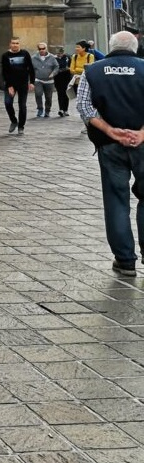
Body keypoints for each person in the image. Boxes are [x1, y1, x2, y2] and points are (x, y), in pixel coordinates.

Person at [76, 30, 144, 277]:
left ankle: (125, 260)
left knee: (116, 200)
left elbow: (84, 106)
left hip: (109, 144)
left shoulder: (93, 71)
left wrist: (111, 131)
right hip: (143, 144)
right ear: (134, 48)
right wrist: (141, 133)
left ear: (111, 46)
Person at [1, 36, 34, 135]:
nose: (15, 45)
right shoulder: (5, 56)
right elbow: (4, 72)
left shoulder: (25, 53)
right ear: (10, 44)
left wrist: (31, 82)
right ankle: (14, 121)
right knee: (7, 103)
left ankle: (21, 126)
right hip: (10, 84)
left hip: (23, 83)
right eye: (13, 43)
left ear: (19, 44)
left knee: (22, 106)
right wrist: (9, 85)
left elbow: (31, 68)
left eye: (17, 43)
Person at [31, 41, 57, 118]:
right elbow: (30, 69)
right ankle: (40, 109)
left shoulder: (52, 57)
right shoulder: (33, 58)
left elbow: (56, 66)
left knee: (48, 97)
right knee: (38, 94)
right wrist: (31, 80)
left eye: (43, 48)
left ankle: (47, 110)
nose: (41, 50)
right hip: (38, 80)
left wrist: (53, 73)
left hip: (49, 81)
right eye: (40, 49)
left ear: (46, 48)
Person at [53, 46, 72, 116]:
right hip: (58, 78)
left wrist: (67, 69)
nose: (59, 54)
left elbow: (71, 66)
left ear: (63, 52)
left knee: (66, 93)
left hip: (66, 78)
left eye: (60, 53)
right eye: (58, 53)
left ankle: (66, 110)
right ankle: (61, 109)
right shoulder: (54, 58)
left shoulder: (68, 57)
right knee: (60, 93)